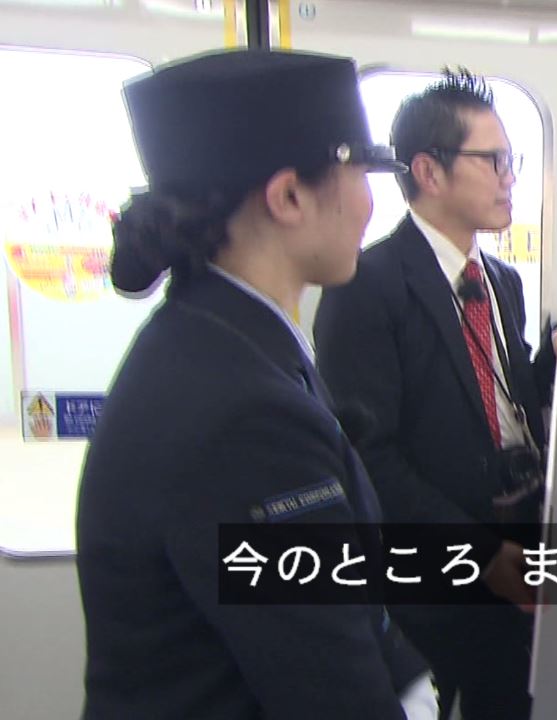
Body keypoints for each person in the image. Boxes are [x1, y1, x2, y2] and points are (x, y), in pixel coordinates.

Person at [76, 49, 436, 719]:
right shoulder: (246, 415)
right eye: (361, 172)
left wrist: (412, 679)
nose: (368, 204)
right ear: (289, 196)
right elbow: (332, 692)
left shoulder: (218, 340)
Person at [313, 68, 557, 720]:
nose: (510, 178)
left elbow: (505, 397)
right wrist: (481, 554)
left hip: (518, 549)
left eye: (512, 160)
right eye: (493, 160)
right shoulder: (368, 285)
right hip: (433, 574)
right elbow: (369, 457)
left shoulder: (500, 280)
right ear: (429, 171)